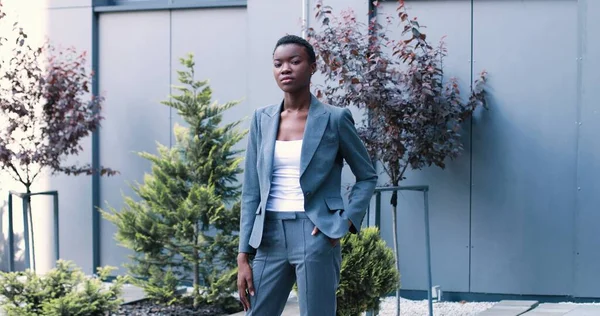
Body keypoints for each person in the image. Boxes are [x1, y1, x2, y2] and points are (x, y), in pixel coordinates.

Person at [237, 34, 377, 316]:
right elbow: (252, 190)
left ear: (313, 67)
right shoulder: (261, 119)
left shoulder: (335, 118)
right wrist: (243, 255)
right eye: (278, 63)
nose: (285, 69)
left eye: (294, 61)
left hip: (314, 232)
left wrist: (345, 221)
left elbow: (367, 176)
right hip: (268, 236)